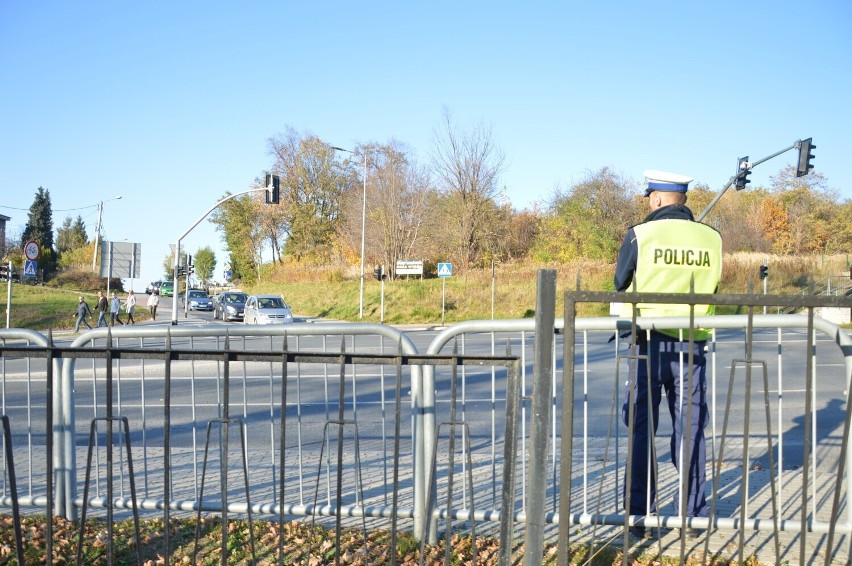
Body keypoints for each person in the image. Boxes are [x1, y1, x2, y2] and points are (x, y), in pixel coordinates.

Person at [614, 171, 722, 539]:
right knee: (690, 428)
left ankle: (641, 517)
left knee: (642, 428)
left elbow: (619, 281)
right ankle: (692, 515)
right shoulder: (712, 238)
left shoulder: (642, 234)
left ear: (658, 199)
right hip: (692, 345)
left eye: (649, 196)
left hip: (647, 344)